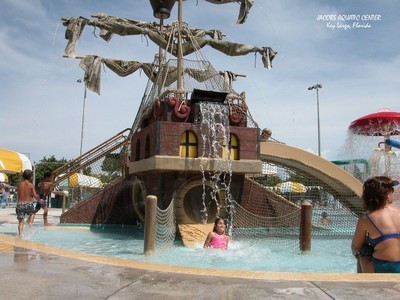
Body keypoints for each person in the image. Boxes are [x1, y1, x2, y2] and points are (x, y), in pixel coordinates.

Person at [351, 176, 400, 273]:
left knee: (363, 252)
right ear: (385, 194)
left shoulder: (367, 218)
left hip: (383, 267)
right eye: (391, 190)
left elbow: (355, 247)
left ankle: (364, 285)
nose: (393, 192)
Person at [16, 169, 42, 237]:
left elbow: (19, 194)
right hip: (28, 204)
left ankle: (20, 235)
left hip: (19, 204)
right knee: (32, 213)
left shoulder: (19, 185)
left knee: (21, 222)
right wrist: (39, 200)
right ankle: (30, 223)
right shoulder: (31, 185)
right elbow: (35, 195)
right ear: (31, 177)